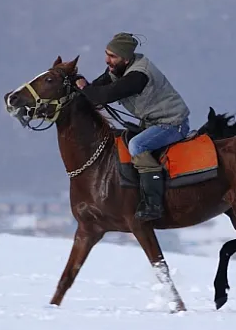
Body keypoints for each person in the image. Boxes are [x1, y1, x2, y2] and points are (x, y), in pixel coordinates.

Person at [74, 32, 191, 222]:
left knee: (138, 145)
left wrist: (83, 87)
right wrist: (78, 88)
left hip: (172, 124)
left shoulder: (138, 75)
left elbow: (101, 97)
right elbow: (96, 89)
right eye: (107, 54)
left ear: (126, 59)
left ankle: (153, 204)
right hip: (152, 123)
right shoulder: (118, 69)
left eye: (112, 56)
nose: (107, 60)